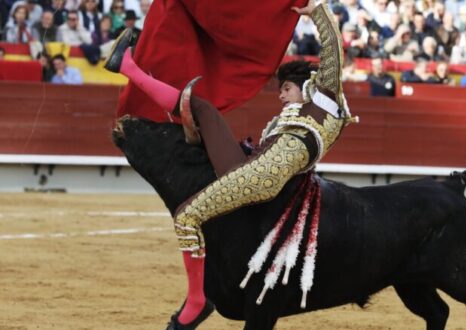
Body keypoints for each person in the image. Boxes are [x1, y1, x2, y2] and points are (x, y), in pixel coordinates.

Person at [104, 0, 354, 329]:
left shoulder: (324, 98)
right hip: (257, 166)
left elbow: (332, 48)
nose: (281, 96)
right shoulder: (299, 115)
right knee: (201, 111)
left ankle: (197, 300)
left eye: (287, 89)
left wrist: (317, 10)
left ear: (306, 88)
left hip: (262, 176)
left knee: (188, 215)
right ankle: (132, 71)